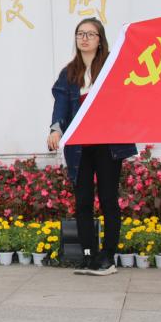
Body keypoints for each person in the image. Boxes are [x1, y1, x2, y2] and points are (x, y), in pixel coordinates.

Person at [48, 18, 137, 276]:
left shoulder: (112, 67)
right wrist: (55, 129)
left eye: (90, 34)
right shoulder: (69, 73)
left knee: (108, 199)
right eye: (80, 34)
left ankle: (108, 256)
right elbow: (61, 106)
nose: (84, 38)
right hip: (79, 148)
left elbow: (127, 97)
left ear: (100, 40)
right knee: (83, 201)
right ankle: (88, 254)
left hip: (109, 145)